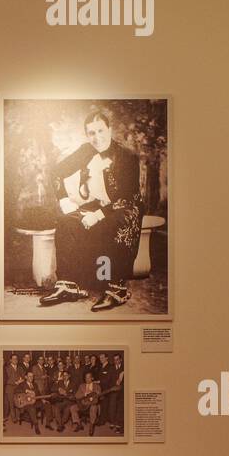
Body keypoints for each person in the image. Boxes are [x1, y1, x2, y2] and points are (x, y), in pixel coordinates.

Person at [39, 105, 142, 313]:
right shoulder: (86, 151)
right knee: (67, 222)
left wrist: (99, 215)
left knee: (115, 221)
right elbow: (56, 172)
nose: (96, 138)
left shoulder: (127, 157)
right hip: (95, 206)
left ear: (109, 130)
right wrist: (64, 200)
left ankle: (117, 288)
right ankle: (69, 285)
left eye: (101, 131)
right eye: (91, 133)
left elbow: (127, 196)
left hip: (124, 207)